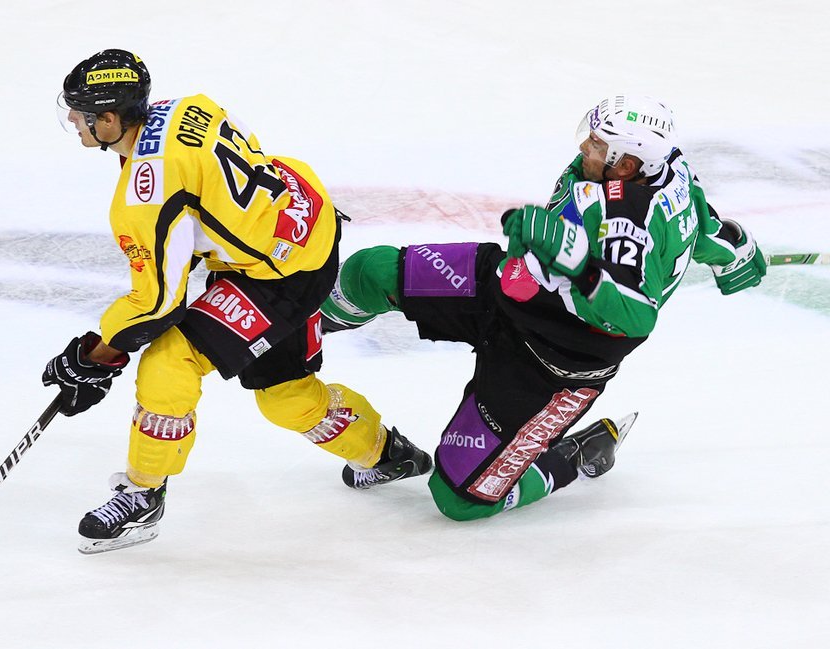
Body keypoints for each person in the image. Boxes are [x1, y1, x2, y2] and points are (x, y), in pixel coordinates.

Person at [41, 49, 432, 554]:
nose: (75, 122)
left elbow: (157, 306)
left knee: (168, 361)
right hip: (307, 221)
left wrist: (96, 356)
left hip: (278, 276)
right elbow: (226, 182)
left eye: (81, 114)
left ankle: (142, 495)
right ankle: (387, 454)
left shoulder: (144, 197)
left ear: (112, 119)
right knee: (285, 395)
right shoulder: (188, 106)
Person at [321, 94, 767, 521]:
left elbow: (634, 315)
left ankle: (572, 457)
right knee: (369, 272)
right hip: (510, 288)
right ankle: (309, 324)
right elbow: (701, 225)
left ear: (626, 164)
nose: (584, 147)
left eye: (597, 144)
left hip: (552, 366)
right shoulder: (667, 166)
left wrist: (580, 265)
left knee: (458, 500)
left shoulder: (625, 221)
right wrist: (735, 252)